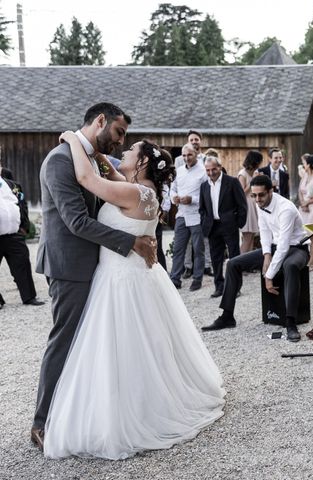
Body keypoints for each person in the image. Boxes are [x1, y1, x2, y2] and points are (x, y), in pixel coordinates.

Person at [42, 131, 225, 460]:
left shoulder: (131, 191)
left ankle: (127, 412)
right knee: (139, 348)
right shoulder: (145, 191)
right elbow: (113, 175)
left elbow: (86, 178)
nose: (122, 153)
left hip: (119, 280)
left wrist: (72, 139)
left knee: (118, 347)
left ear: (141, 162)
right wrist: (100, 156)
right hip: (132, 275)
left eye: (129, 151)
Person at [31, 103, 157, 453]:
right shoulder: (60, 159)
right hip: (70, 267)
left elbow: (132, 190)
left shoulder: (97, 160)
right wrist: (131, 241)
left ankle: (80, 413)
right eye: (118, 132)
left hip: (98, 268)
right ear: (100, 121)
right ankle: (41, 422)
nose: (120, 142)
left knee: (90, 345)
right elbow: (76, 222)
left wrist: (145, 229)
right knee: (65, 341)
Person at [201, 175, 309, 342]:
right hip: (274, 246)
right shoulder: (260, 204)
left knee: (290, 266)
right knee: (233, 263)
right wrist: (266, 255)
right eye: (254, 195)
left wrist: (269, 275)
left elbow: (284, 246)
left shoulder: (286, 208)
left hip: (297, 248)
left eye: (261, 195)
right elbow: (265, 231)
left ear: (271, 191)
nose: (257, 199)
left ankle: (291, 322)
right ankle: (227, 315)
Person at [199, 155, 247, 298]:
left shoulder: (231, 182)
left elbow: (242, 205)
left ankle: (235, 287)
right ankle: (219, 287)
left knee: (234, 257)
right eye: (208, 170)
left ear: (220, 167)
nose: (211, 172)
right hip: (212, 227)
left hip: (229, 225)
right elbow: (202, 208)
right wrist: (204, 221)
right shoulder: (204, 185)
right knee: (216, 258)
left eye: (214, 169)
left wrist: (238, 223)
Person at [169, 143, 207, 291]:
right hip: (181, 215)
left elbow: (206, 196)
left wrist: (193, 199)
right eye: (184, 155)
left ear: (196, 153)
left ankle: (197, 279)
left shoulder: (203, 172)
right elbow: (173, 189)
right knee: (178, 248)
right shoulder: (179, 171)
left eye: (189, 155)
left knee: (198, 249)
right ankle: (175, 279)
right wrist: (174, 198)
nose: (186, 158)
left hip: (196, 216)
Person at [0, 176, 44, 306]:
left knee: (22, 264)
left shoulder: (12, 185)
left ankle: (29, 297)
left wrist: (24, 226)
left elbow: (21, 203)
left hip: (14, 234)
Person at [238, 150, 263, 254]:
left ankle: (248, 264)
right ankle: (238, 264)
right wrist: (253, 181)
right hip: (246, 206)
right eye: (260, 161)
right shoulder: (242, 174)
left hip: (254, 205)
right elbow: (241, 193)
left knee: (252, 236)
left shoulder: (254, 172)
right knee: (247, 238)